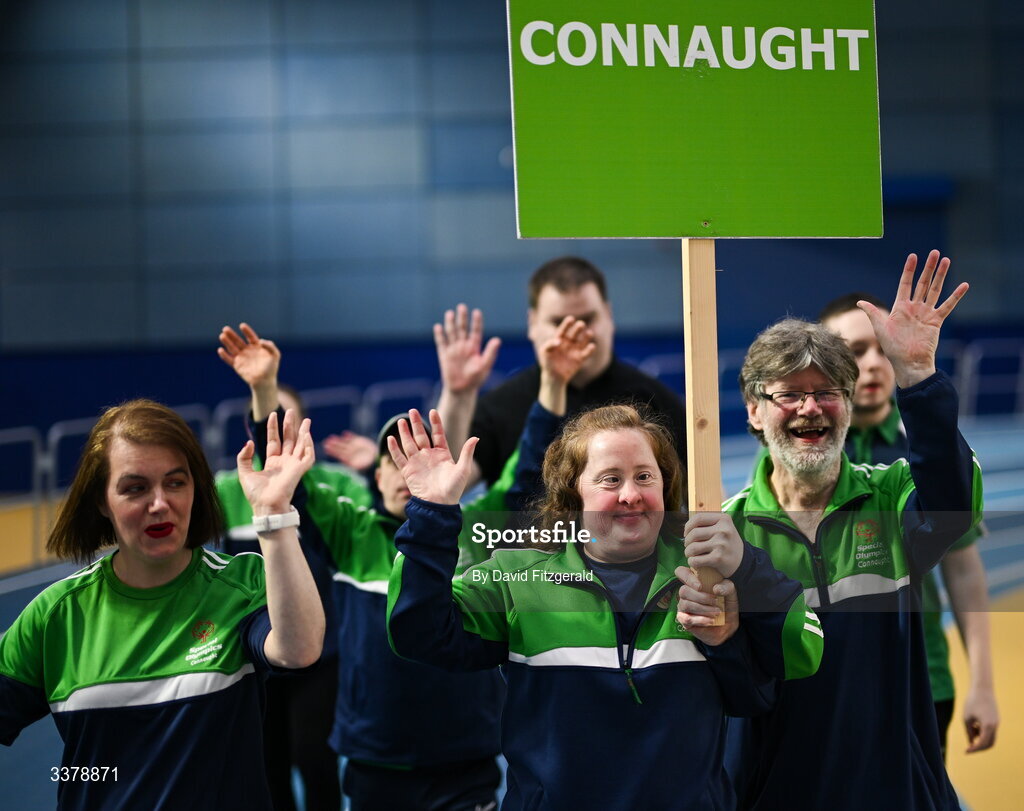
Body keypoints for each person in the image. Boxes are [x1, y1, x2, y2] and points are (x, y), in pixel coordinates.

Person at [219, 313, 597, 810]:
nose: (404, 472)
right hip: (375, 760)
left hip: (466, 759)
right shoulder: (350, 531)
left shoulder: (474, 528)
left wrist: (553, 381)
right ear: (374, 477)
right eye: (392, 461)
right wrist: (265, 389)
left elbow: (529, 473)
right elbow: (288, 479)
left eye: (415, 460)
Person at [385, 401, 824, 810]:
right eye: (610, 479)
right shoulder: (518, 579)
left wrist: (730, 628)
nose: (631, 494)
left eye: (645, 477)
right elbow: (419, 633)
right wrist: (433, 514)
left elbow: (781, 672)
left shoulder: (710, 573)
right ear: (573, 495)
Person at [724, 250, 982, 809]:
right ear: (753, 411)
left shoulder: (889, 496)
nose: (809, 408)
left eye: (827, 392)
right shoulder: (727, 533)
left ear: (847, 403)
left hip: (896, 792)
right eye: (788, 394)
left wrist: (918, 379)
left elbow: (953, 506)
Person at [0, 399, 324, 810]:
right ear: (101, 501)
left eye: (175, 482)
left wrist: (274, 514)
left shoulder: (239, 586)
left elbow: (299, 650)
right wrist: (85, 771)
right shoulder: (56, 615)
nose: (160, 503)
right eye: (135, 488)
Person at [819, 291, 998, 756]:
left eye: (882, 347)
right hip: (827, 684)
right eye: (856, 351)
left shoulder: (928, 448)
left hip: (922, 680)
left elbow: (963, 568)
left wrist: (982, 681)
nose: (875, 363)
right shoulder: (798, 458)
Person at [213, 377, 367, 811]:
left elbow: (381, 516)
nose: (276, 428)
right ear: (253, 428)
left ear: (304, 427)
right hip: (252, 655)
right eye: (266, 419)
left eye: (287, 419)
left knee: (315, 758)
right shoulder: (228, 489)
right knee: (265, 764)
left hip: (322, 652)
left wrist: (375, 468)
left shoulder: (336, 486)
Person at [456, 256, 687, 489]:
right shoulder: (500, 406)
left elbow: (705, 498)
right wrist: (458, 395)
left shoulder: (657, 403)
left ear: (609, 315)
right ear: (532, 323)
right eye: (559, 322)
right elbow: (452, 485)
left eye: (587, 319)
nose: (575, 332)